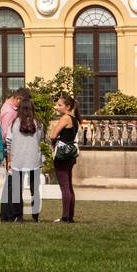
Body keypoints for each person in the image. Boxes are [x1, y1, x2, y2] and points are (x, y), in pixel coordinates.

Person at [2, 88, 42, 222]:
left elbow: (8, 142)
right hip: (33, 161)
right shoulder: (38, 124)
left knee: (16, 191)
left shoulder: (15, 123)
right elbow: (39, 140)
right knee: (34, 189)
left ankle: (17, 216)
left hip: (17, 161)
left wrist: (9, 160)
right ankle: (35, 215)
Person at [48, 93, 80, 223]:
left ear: (67, 107)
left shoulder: (65, 118)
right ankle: (70, 215)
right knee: (69, 186)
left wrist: (54, 139)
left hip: (62, 155)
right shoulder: (74, 119)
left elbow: (53, 135)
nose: (57, 107)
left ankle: (65, 217)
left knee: (64, 186)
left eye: (59, 105)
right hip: (71, 154)